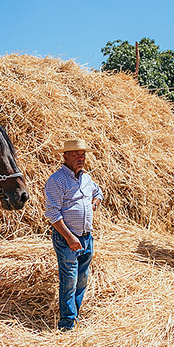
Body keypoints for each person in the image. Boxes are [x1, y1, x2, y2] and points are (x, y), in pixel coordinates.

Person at [44, 139, 103, 331]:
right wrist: (69, 237)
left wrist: (94, 205)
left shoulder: (86, 179)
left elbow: (99, 193)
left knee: (82, 279)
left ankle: (75, 315)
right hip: (67, 239)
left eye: (83, 155)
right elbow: (52, 213)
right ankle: (67, 324)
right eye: (76, 155)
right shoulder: (57, 180)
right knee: (69, 281)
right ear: (65, 156)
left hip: (86, 237)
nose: (81, 158)